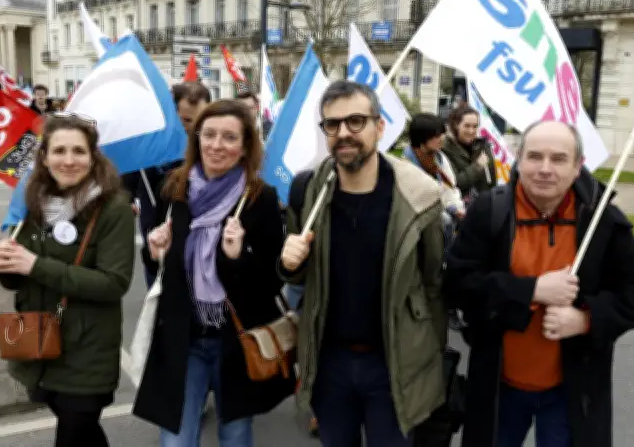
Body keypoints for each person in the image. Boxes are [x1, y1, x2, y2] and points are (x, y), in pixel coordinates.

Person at [445, 120, 634, 447]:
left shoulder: (602, 221)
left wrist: (586, 319)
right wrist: (531, 290)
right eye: (535, 157)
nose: (545, 169)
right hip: (499, 387)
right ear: (519, 158)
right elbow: (457, 284)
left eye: (559, 159)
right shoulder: (490, 211)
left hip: (571, 393)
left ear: (577, 167)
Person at [279, 80, 447, 447]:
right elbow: (301, 275)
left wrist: (428, 357)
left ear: (379, 127)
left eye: (356, 121)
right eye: (332, 124)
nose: (344, 133)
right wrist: (289, 265)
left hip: (393, 363)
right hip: (330, 363)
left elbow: (433, 283)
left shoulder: (418, 197)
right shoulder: (309, 190)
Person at [132, 99, 295, 447]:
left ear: (245, 146)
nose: (217, 145)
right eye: (209, 135)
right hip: (182, 337)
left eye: (229, 137)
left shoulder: (259, 198)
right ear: (196, 139)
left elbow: (272, 280)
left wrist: (238, 258)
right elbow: (158, 265)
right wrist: (154, 252)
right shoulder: (174, 188)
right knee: (176, 439)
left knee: (234, 434)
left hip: (235, 339)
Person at [0, 113, 135, 447]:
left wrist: (35, 264)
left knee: (73, 433)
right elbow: (18, 280)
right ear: (44, 157)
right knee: (83, 436)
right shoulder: (33, 200)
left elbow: (114, 283)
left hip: (86, 351)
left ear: (93, 156)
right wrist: (7, 264)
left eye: (79, 151)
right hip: (40, 345)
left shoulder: (113, 207)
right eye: (59, 151)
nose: (68, 161)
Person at [122, 82, 212, 287]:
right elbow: (129, 175)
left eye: (202, 119)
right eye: (188, 120)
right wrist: (127, 198)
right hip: (158, 233)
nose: (196, 127)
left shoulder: (212, 146)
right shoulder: (151, 145)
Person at [402, 113, 465, 243]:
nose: (442, 138)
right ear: (422, 138)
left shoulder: (440, 158)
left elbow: (450, 189)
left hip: (444, 215)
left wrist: (456, 208)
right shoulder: (406, 164)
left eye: (442, 134)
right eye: (436, 136)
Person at [441, 105, 496, 201]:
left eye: (475, 126)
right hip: (459, 208)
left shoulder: (483, 146)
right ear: (456, 125)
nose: (471, 131)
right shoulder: (444, 148)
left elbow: (490, 182)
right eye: (467, 126)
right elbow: (455, 183)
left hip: (484, 206)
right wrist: (477, 166)